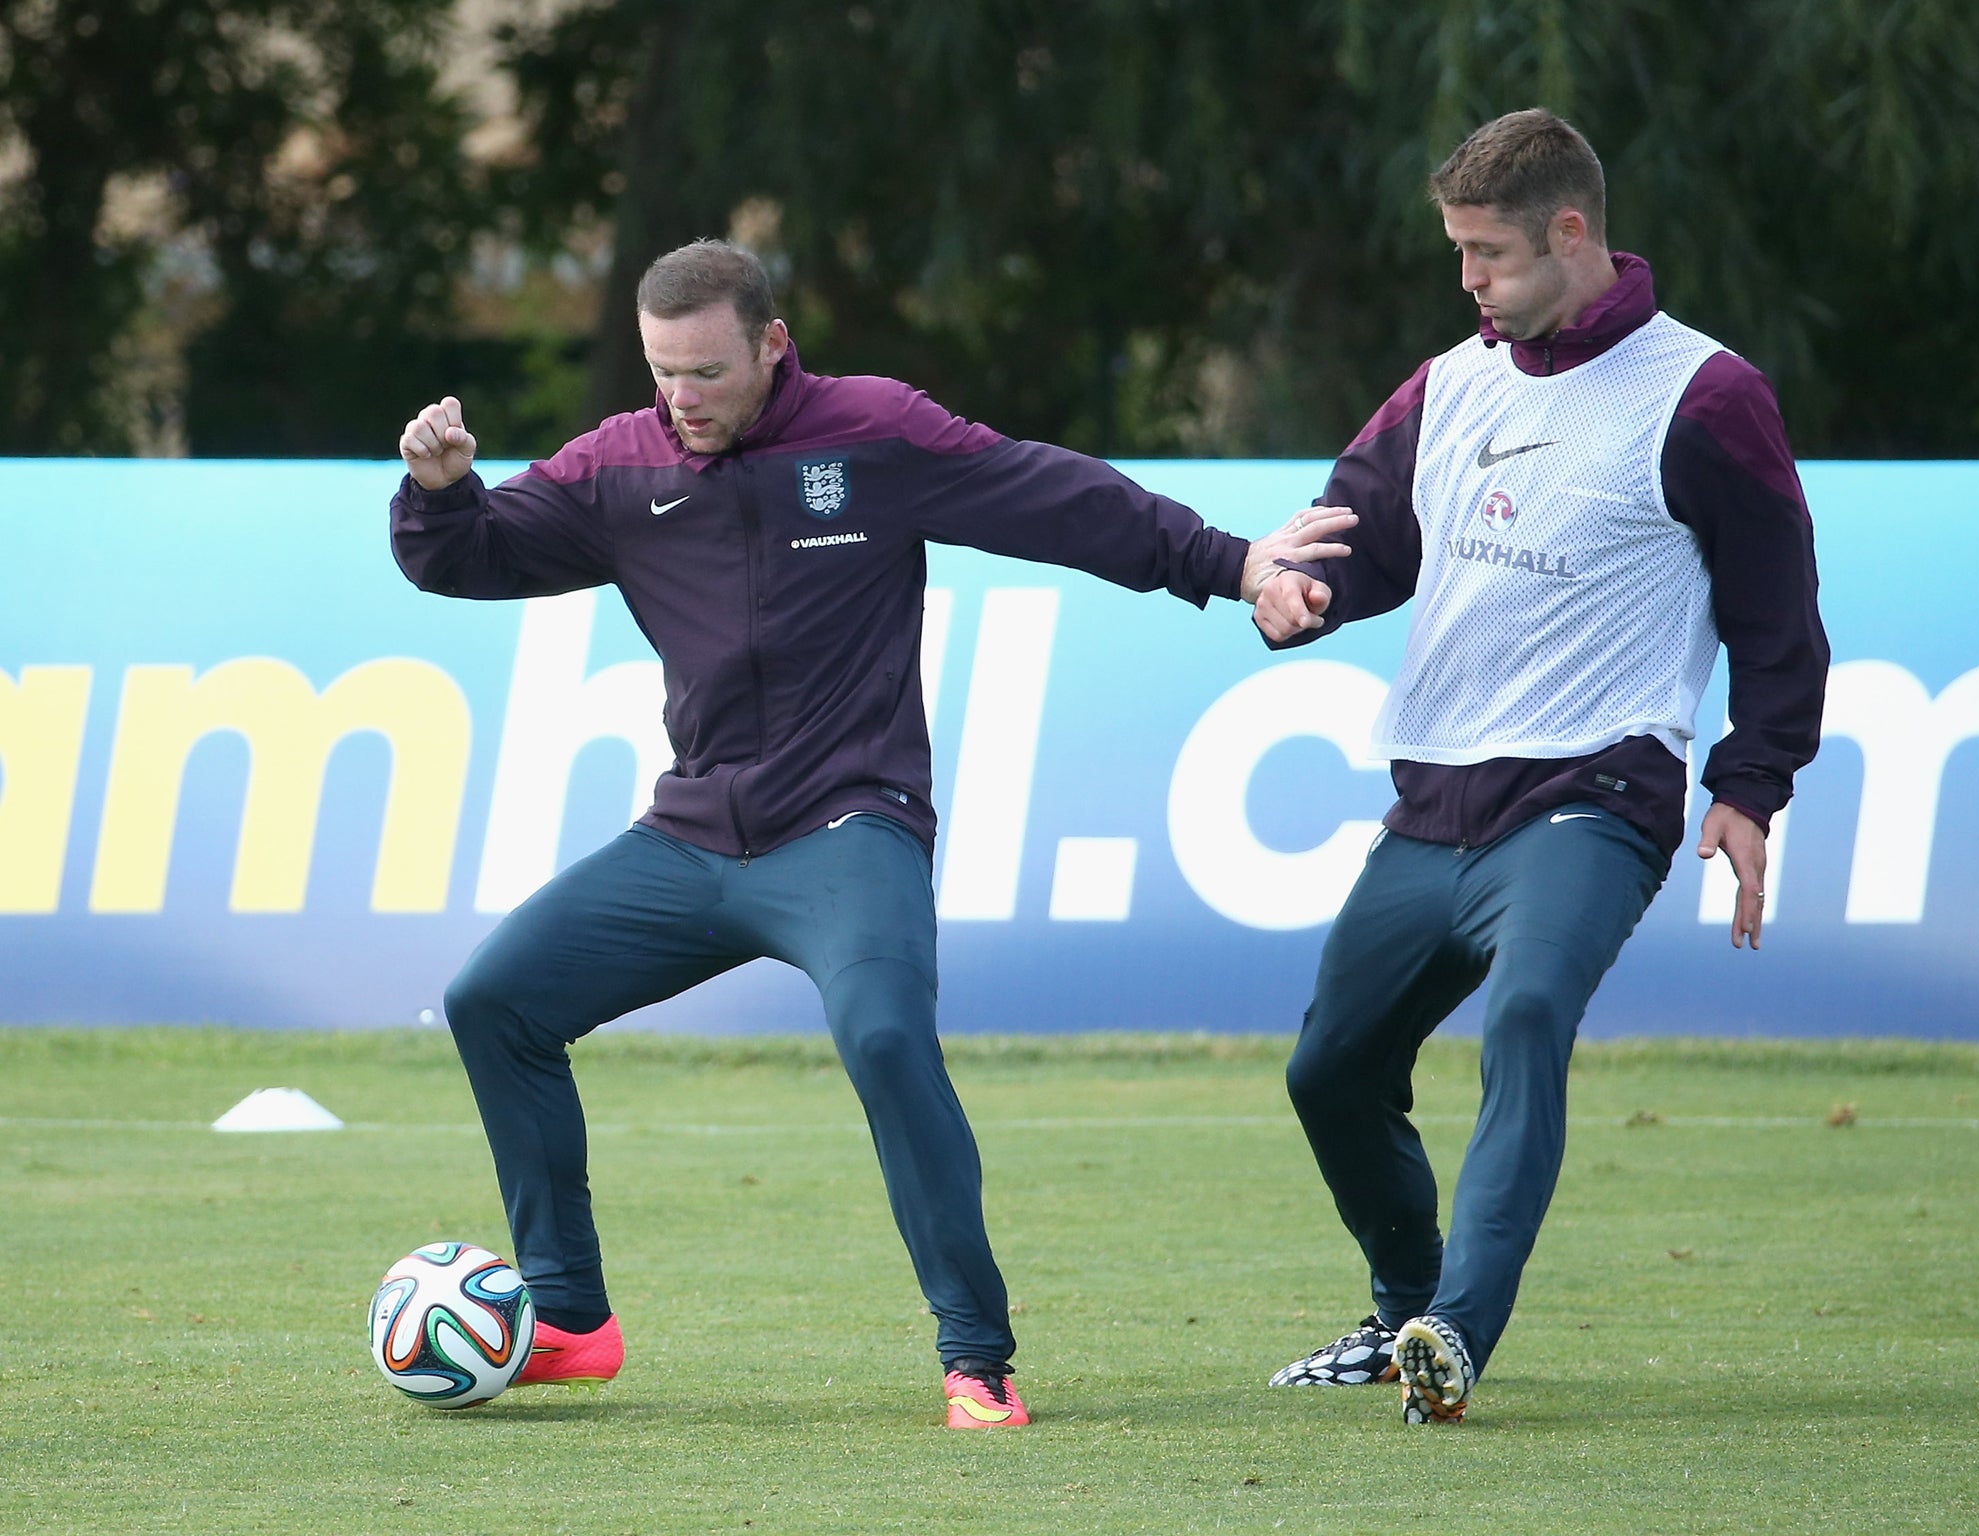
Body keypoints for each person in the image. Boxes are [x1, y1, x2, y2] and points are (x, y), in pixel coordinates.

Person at [391, 238, 1353, 1429]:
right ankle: (570, 1319)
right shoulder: (619, 464)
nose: (679, 400)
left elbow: (1059, 498)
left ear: (772, 345)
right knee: (495, 999)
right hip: (692, 837)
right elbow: (468, 558)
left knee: (887, 1037)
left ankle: (976, 1356)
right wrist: (437, 494)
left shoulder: (875, 434)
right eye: (660, 374)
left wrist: (1230, 563)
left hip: (850, 826)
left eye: (704, 372)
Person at [1256, 110, 1828, 1424]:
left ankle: (1458, 1334)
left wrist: (1749, 787)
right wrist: (1303, 592)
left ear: (1573, 234)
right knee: (1328, 1071)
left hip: (1594, 796)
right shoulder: (1449, 382)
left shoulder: (1706, 395)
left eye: (1489, 254)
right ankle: (1404, 1312)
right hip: (1433, 804)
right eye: (1458, 253)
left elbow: (1777, 614)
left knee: (1523, 1019)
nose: (1468, 281)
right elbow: (1363, 533)